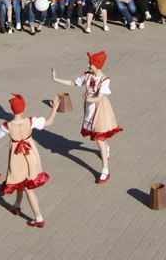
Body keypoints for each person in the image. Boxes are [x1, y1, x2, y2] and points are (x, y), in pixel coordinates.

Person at [52, 51, 121, 184]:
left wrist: (89, 98)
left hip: (100, 110)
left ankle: (105, 170)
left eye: (91, 64)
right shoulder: (87, 76)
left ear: (97, 65)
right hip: (89, 109)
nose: (89, 66)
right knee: (99, 137)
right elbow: (73, 83)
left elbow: (99, 97)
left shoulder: (104, 80)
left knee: (99, 138)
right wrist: (56, 79)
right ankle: (105, 148)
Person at [0, 93, 60, 228]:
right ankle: (17, 205)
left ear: (11, 109)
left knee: (27, 187)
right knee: (23, 180)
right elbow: (49, 122)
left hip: (17, 159)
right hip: (31, 156)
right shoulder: (30, 121)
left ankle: (38, 218)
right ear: (24, 108)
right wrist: (54, 107)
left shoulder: (7, 126)